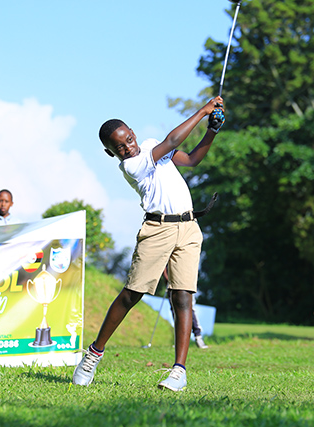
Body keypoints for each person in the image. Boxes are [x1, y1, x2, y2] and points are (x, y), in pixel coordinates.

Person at [72, 96, 225, 392]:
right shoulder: (131, 165)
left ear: (133, 132)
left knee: (183, 296)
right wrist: (203, 111)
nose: (127, 147)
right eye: (119, 147)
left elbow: (192, 159)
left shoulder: (152, 146)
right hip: (157, 230)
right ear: (110, 153)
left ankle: (179, 371)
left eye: (128, 139)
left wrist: (212, 131)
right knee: (132, 294)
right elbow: (172, 140)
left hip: (189, 227)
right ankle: (93, 355)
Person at [163, 267, 208, 349]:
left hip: (185, 283)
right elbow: (164, 268)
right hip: (171, 285)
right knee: (174, 310)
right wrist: (167, 278)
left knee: (189, 309)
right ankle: (178, 340)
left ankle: (198, 336)